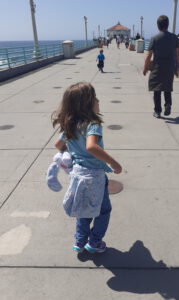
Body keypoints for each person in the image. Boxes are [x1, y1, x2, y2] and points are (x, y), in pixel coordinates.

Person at [51, 82, 122, 254]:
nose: (98, 101)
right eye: (95, 98)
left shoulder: (70, 124)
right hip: (95, 177)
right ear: (87, 104)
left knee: (83, 209)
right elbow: (91, 146)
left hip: (77, 175)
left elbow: (58, 144)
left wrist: (73, 152)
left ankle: (80, 241)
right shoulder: (92, 124)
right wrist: (114, 163)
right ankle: (95, 242)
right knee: (103, 210)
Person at [143, 15, 179, 118]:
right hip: (170, 67)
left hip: (157, 67)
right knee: (167, 87)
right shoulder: (174, 37)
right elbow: (178, 53)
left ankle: (157, 111)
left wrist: (145, 68)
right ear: (167, 25)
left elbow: (148, 56)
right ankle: (168, 104)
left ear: (158, 26)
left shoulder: (154, 38)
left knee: (157, 89)